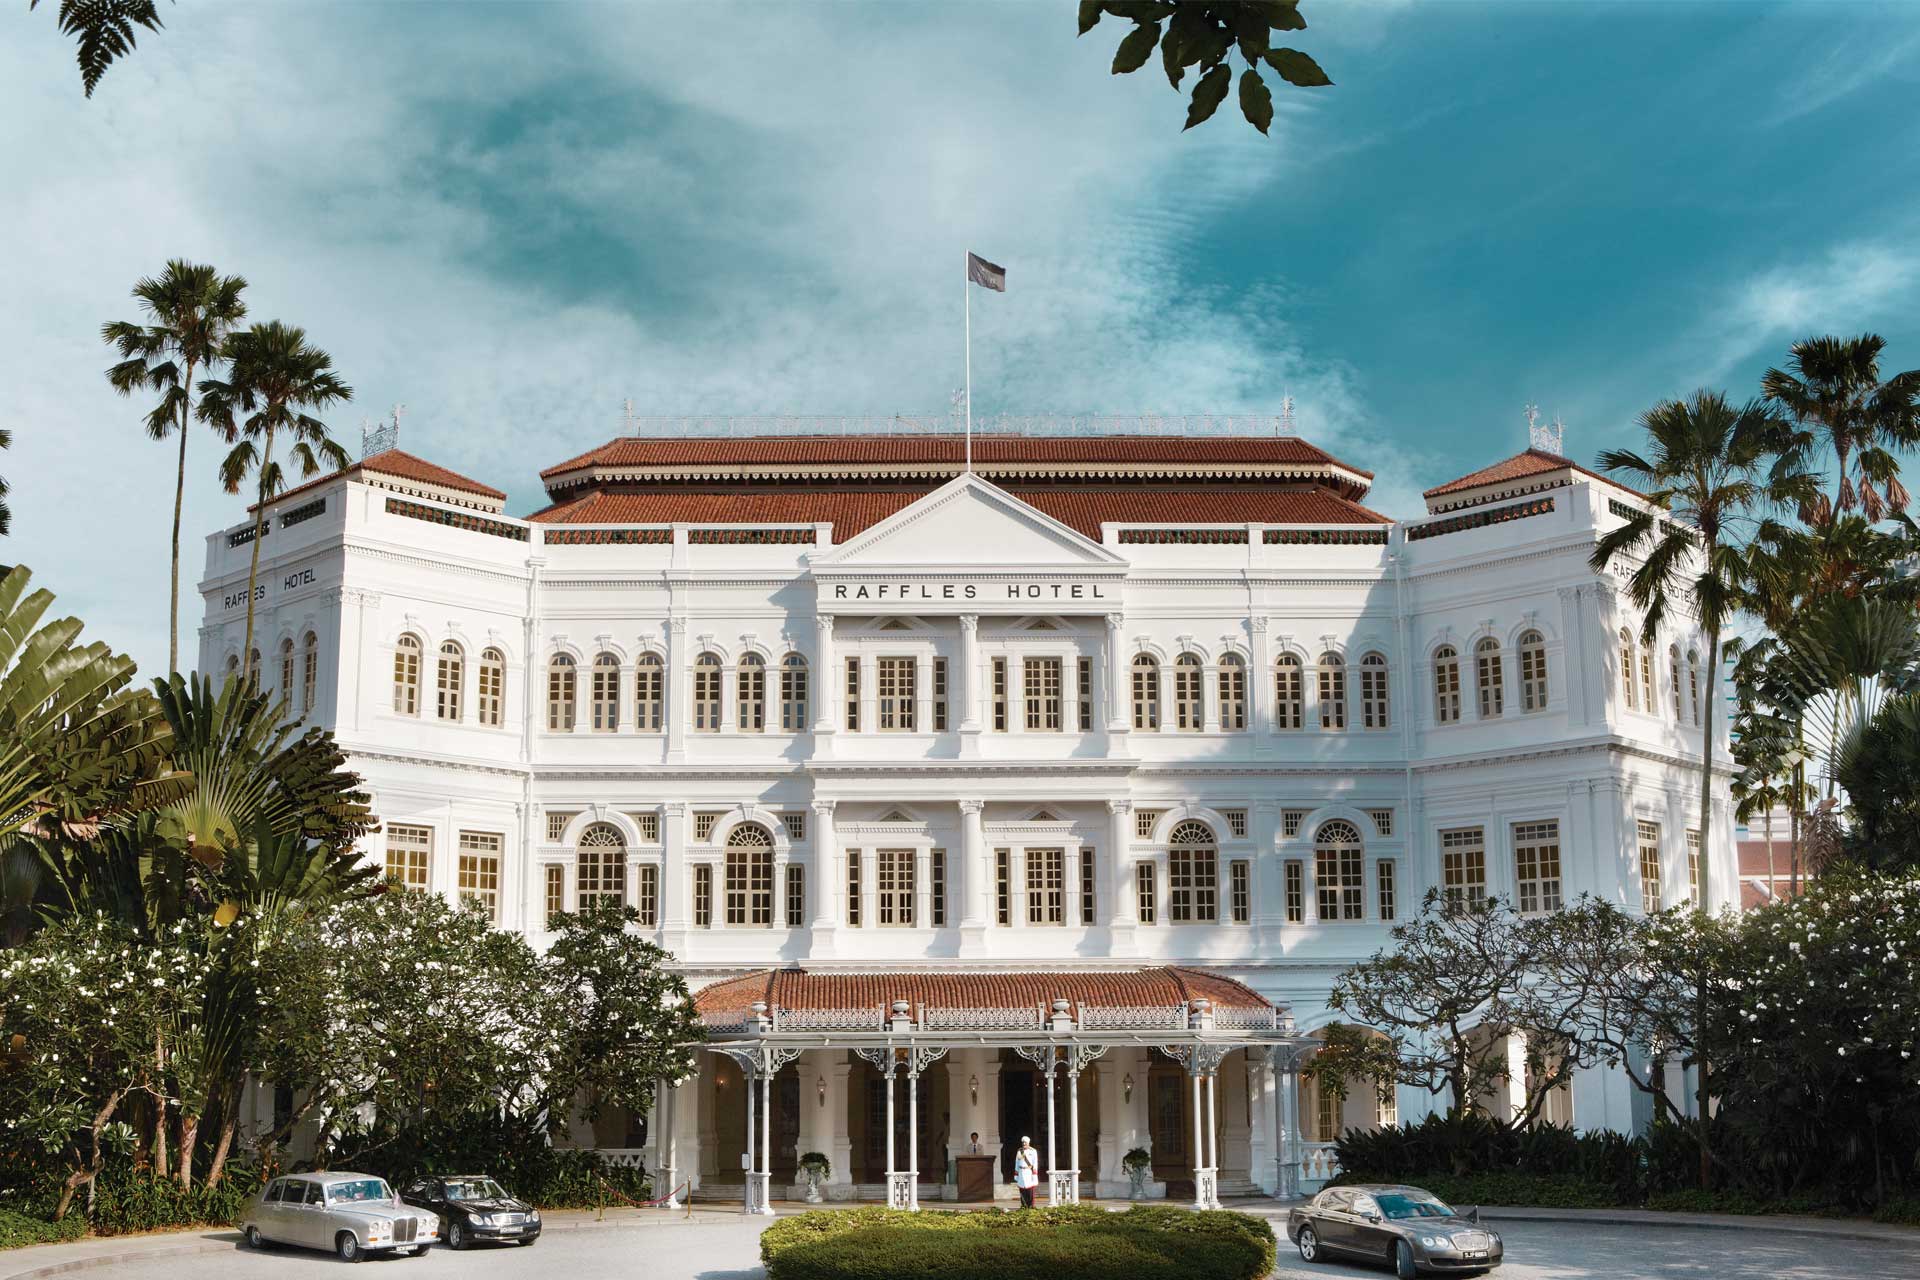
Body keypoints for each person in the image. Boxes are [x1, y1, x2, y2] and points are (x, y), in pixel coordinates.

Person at [1013, 1135, 1040, 1208]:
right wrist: (1016, 1173)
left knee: (1030, 1190)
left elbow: (1035, 1163)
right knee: (1022, 1189)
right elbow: (1017, 1162)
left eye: (1025, 1142)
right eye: (1023, 1142)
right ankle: (1023, 1205)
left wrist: (1034, 1174)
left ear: (1028, 1143)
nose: (1024, 1144)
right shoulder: (1019, 1151)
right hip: (1021, 1172)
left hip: (1029, 1172)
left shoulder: (1033, 1151)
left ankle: (1031, 1205)